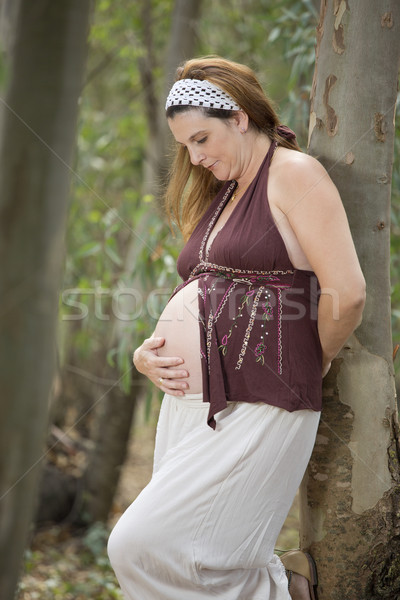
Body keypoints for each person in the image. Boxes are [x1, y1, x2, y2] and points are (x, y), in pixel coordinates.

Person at [108, 56, 366, 600]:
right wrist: (145, 356)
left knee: (137, 546)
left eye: (203, 139)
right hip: (189, 405)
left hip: (262, 398)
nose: (196, 158)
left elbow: (348, 293)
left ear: (241, 118)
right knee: (208, 560)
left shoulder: (294, 174)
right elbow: (199, 292)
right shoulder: (224, 191)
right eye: (187, 148)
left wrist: (301, 364)